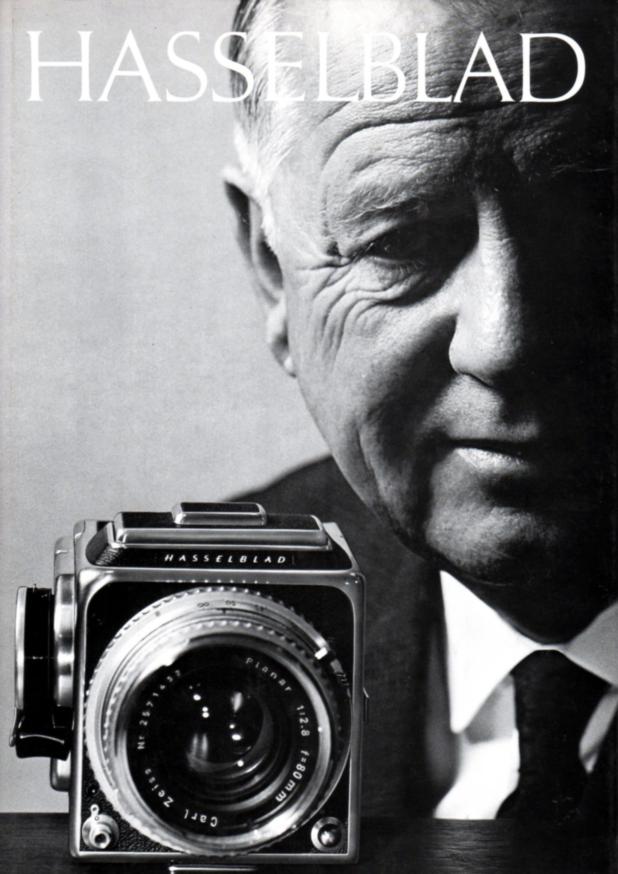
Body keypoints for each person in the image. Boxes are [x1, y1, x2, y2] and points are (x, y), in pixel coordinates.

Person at [224, 0, 616, 828]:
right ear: (272, 271)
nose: (504, 342)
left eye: (597, 219)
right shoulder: (204, 627)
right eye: (401, 240)